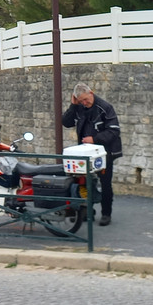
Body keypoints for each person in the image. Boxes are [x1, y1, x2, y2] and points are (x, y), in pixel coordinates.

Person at [61, 82, 122, 226]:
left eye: (86, 99)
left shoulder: (105, 108)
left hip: (105, 152)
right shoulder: (79, 107)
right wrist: (73, 105)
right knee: (83, 182)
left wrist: (94, 139)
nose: (84, 103)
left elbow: (114, 131)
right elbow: (66, 122)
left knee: (105, 183)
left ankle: (106, 213)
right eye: (81, 100)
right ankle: (87, 212)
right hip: (84, 152)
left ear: (91, 93)